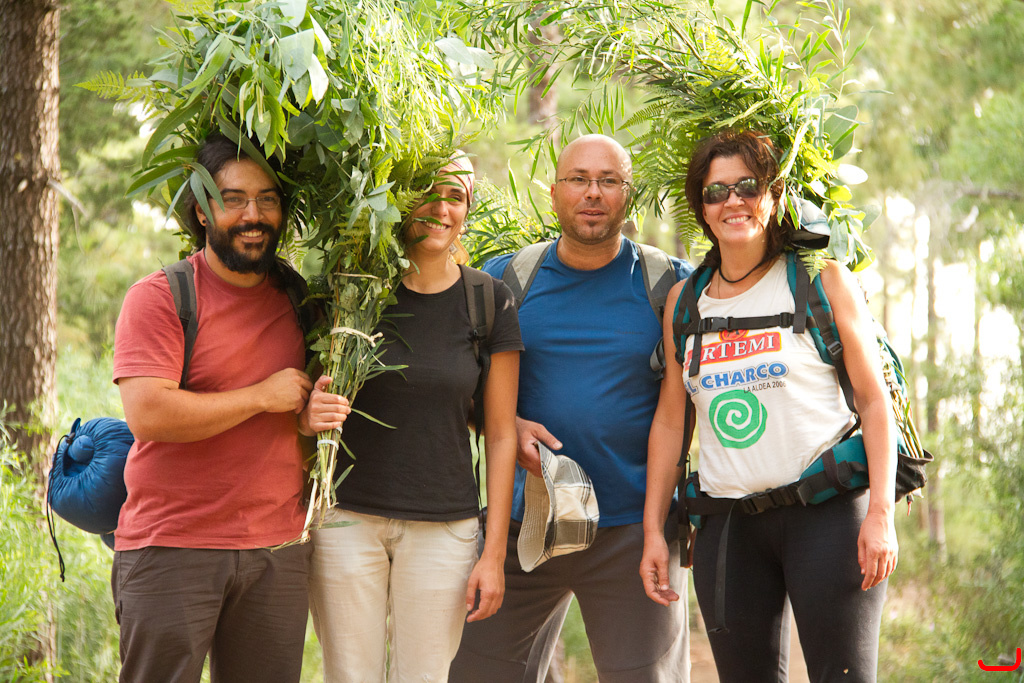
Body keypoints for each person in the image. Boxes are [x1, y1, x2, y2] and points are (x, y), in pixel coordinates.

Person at [640, 129, 898, 682]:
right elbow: (670, 420)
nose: (733, 201)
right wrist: (653, 531)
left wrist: (881, 513)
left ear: (775, 195)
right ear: (701, 208)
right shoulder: (686, 303)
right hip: (728, 528)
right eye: (717, 191)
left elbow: (875, 403)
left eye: (748, 186)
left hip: (826, 516)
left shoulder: (821, 280)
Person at [450, 134, 693, 683]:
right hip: (522, 527)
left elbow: (690, 404)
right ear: (555, 191)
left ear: (628, 194)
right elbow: (459, 388)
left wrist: (663, 526)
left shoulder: (670, 284)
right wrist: (506, 424)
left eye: (609, 181)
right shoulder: (507, 278)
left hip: (633, 532)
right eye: (578, 179)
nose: (593, 193)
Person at [111, 134, 348, 683]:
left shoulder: (301, 300)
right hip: (173, 546)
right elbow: (149, 414)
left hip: (278, 549)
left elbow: (301, 408)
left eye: (267, 200)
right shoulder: (162, 297)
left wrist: (307, 416)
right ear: (201, 209)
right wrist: (261, 397)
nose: (253, 216)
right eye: (233, 199)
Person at [307, 154, 523, 683]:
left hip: (444, 529)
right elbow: (303, 405)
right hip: (346, 518)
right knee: (348, 677)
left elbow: (500, 435)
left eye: (455, 197)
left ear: (467, 210)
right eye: (426, 192)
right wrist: (306, 416)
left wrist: (493, 553)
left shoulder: (488, 301)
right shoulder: (352, 291)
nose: (440, 208)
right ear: (399, 200)